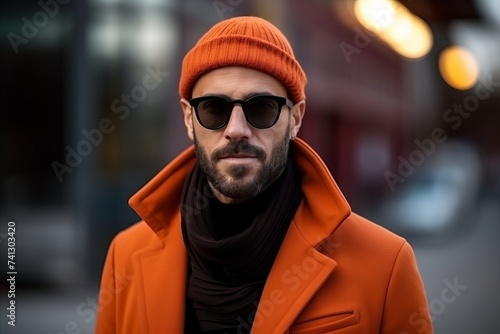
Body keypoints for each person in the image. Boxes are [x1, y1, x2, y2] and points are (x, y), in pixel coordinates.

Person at [95, 16, 433, 334]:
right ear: (188, 118)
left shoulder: (385, 264)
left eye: (261, 108)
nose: (236, 130)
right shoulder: (125, 256)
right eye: (214, 108)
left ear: (296, 119)